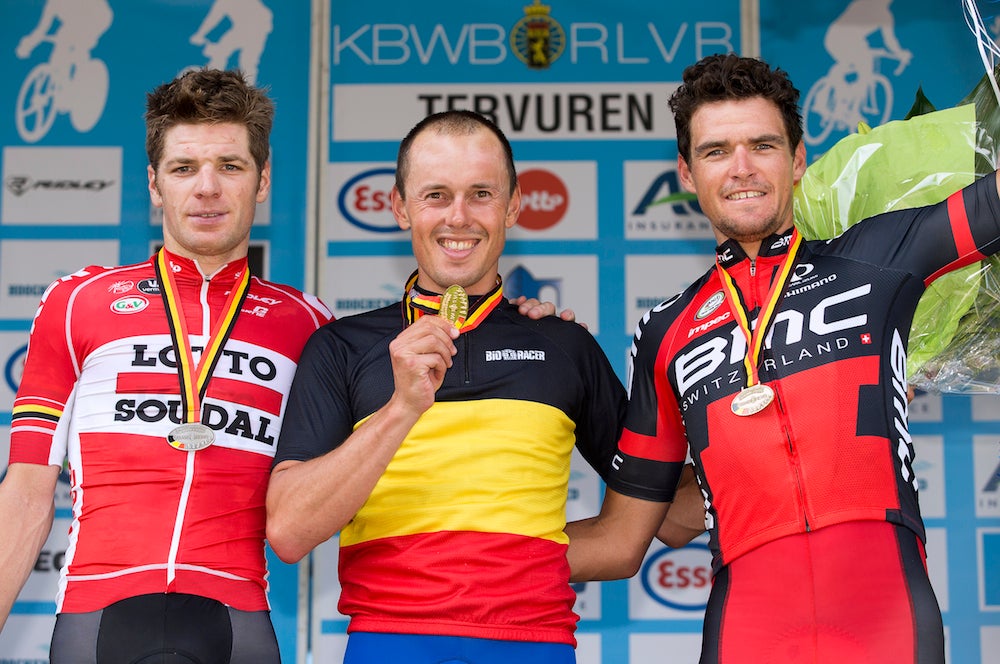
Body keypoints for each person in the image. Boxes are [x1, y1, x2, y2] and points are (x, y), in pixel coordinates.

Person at [566, 52, 1000, 664]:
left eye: (763, 145)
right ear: (687, 172)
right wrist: (454, 556)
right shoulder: (664, 331)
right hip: (748, 626)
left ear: (797, 160)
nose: (741, 168)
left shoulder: (878, 258)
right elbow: (627, 536)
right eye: (716, 151)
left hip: (886, 617)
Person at [266, 110, 628, 664]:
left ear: (512, 206)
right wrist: (402, 407)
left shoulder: (564, 344)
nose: (458, 217)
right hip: (389, 644)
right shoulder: (342, 346)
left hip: (535, 644)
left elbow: (643, 528)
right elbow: (290, 532)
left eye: (481, 194)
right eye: (436, 195)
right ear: (399, 206)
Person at [0, 68, 335, 662]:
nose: (207, 188)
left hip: (236, 621)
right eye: (184, 168)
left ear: (262, 181)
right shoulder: (77, 302)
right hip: (97, 616)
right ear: (154, 184)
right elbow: (26, 494)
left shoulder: (308, 323)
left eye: (230, 166)